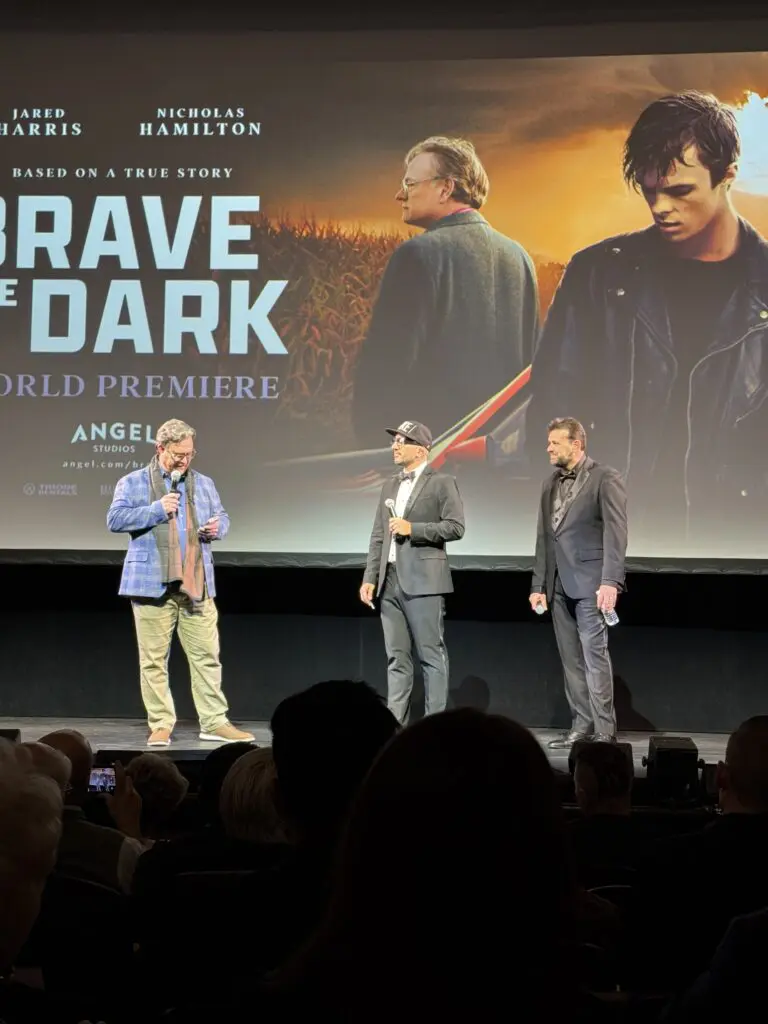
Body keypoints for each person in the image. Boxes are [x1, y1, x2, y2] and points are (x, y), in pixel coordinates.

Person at [525, 90, 768, 555]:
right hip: (612, 546)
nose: (660, 207)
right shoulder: (598, 275)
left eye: (679, 191)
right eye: (649, 190)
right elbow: (554, 412)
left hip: (735, 552)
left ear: (727, 178)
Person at [352, 135, 539, 448]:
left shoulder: (418, 254)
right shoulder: (519, 256)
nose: (400, 194)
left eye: (410, 183)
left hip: (430, 455)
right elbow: (531, 369)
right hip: (492, 457)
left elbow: (386, 367)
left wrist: (373, 446)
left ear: (445, 188)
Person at [107, 418, 254, 748]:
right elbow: (114, 519)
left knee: (206, 656)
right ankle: (160, 723)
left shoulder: (204, 484)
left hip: (196, 584)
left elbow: (224, 516)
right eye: (178, 454)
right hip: (152, 585)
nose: (184, 461)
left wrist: (219, 528)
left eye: (190, 454)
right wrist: (156, 510)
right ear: (160, 449)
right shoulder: (132, 482)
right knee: (154, 660)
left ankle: (214, 721)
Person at [529, 417, 627, 748]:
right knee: (570, 659)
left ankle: (604, 730)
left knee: (594, 656)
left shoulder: (605, 478)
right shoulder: (549, 484)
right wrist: (537, 585)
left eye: (554, 442)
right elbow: (544, 537)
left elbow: (616, 533)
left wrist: (611, 580)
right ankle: (581, 726)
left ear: (576, 444)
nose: (548, 448)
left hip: (591, 584)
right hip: (557, 584)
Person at [359, 421, 465, 723]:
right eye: (394, 441)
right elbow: (378, 534)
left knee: (431, 656)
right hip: (389, 582)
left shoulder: (441, 482)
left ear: (421, 449)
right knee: (396, 659)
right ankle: (395, 726)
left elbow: (456, 527)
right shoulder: (389, 485)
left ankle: (435, 727)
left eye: (401, 442)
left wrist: (413, 529)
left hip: (424, 583)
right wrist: (370, 577)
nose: (394, 446)